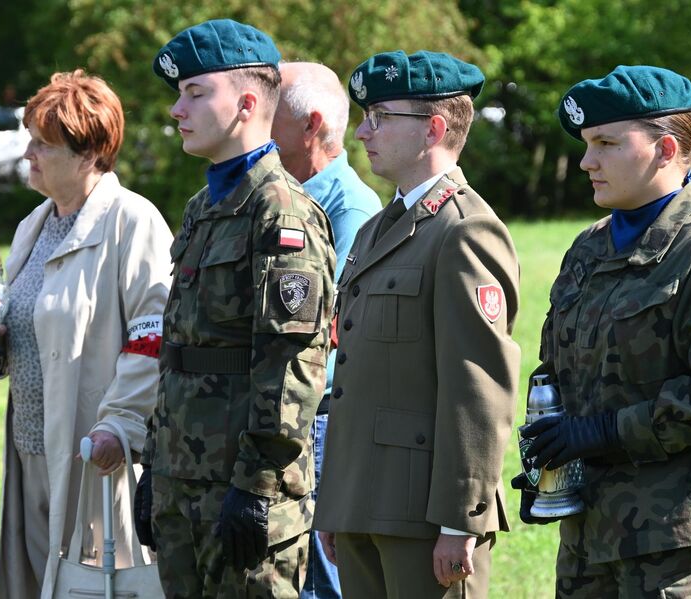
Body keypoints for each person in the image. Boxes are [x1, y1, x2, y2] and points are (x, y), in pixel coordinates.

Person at [516, 65, 691, 598]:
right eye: (588, 144)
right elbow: (559, 371)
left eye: (607, 143)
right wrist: (550, 462)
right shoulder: (589, 248)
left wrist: (606, 433)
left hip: (683, 547)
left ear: (664, 149)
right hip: (591, 542)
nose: (588, 161)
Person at [0, 69, 173, 598]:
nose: (28, 154)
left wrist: (119, 427)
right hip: (31, 448)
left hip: (94, 457)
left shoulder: (133, 222)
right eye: (30, 140)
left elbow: (155, 336)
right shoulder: (34, 223)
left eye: (42, 145)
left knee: (91, 585)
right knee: (38, 583)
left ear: (89, 153)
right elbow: (34, 325)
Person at [313, 50, 522, 598]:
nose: (363, 131)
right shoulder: (377, 229)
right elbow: (355, 377)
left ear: (432, 129)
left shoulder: (466, 231)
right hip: (365, 502)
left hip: (426, 517)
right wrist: (338, 501)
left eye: (380, 117)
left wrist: (460, 520)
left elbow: (478, 384)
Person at [142, 19, 336, 598]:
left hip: (243, 488)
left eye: (195, 93)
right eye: (179, 95)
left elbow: (294, 365)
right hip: (185, 481)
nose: (178, 109)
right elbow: (181, 350)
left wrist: (256, 486)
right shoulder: (204, 206)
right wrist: (155, 463)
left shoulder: (281, 213)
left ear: (247, 102)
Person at [271, 60, 382, 599]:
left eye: (270, 110)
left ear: (311, 126)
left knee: (318, 583)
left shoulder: (350, 209)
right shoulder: (281, 198)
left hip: (316, 423)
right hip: (285, 417)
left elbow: (326, 336)